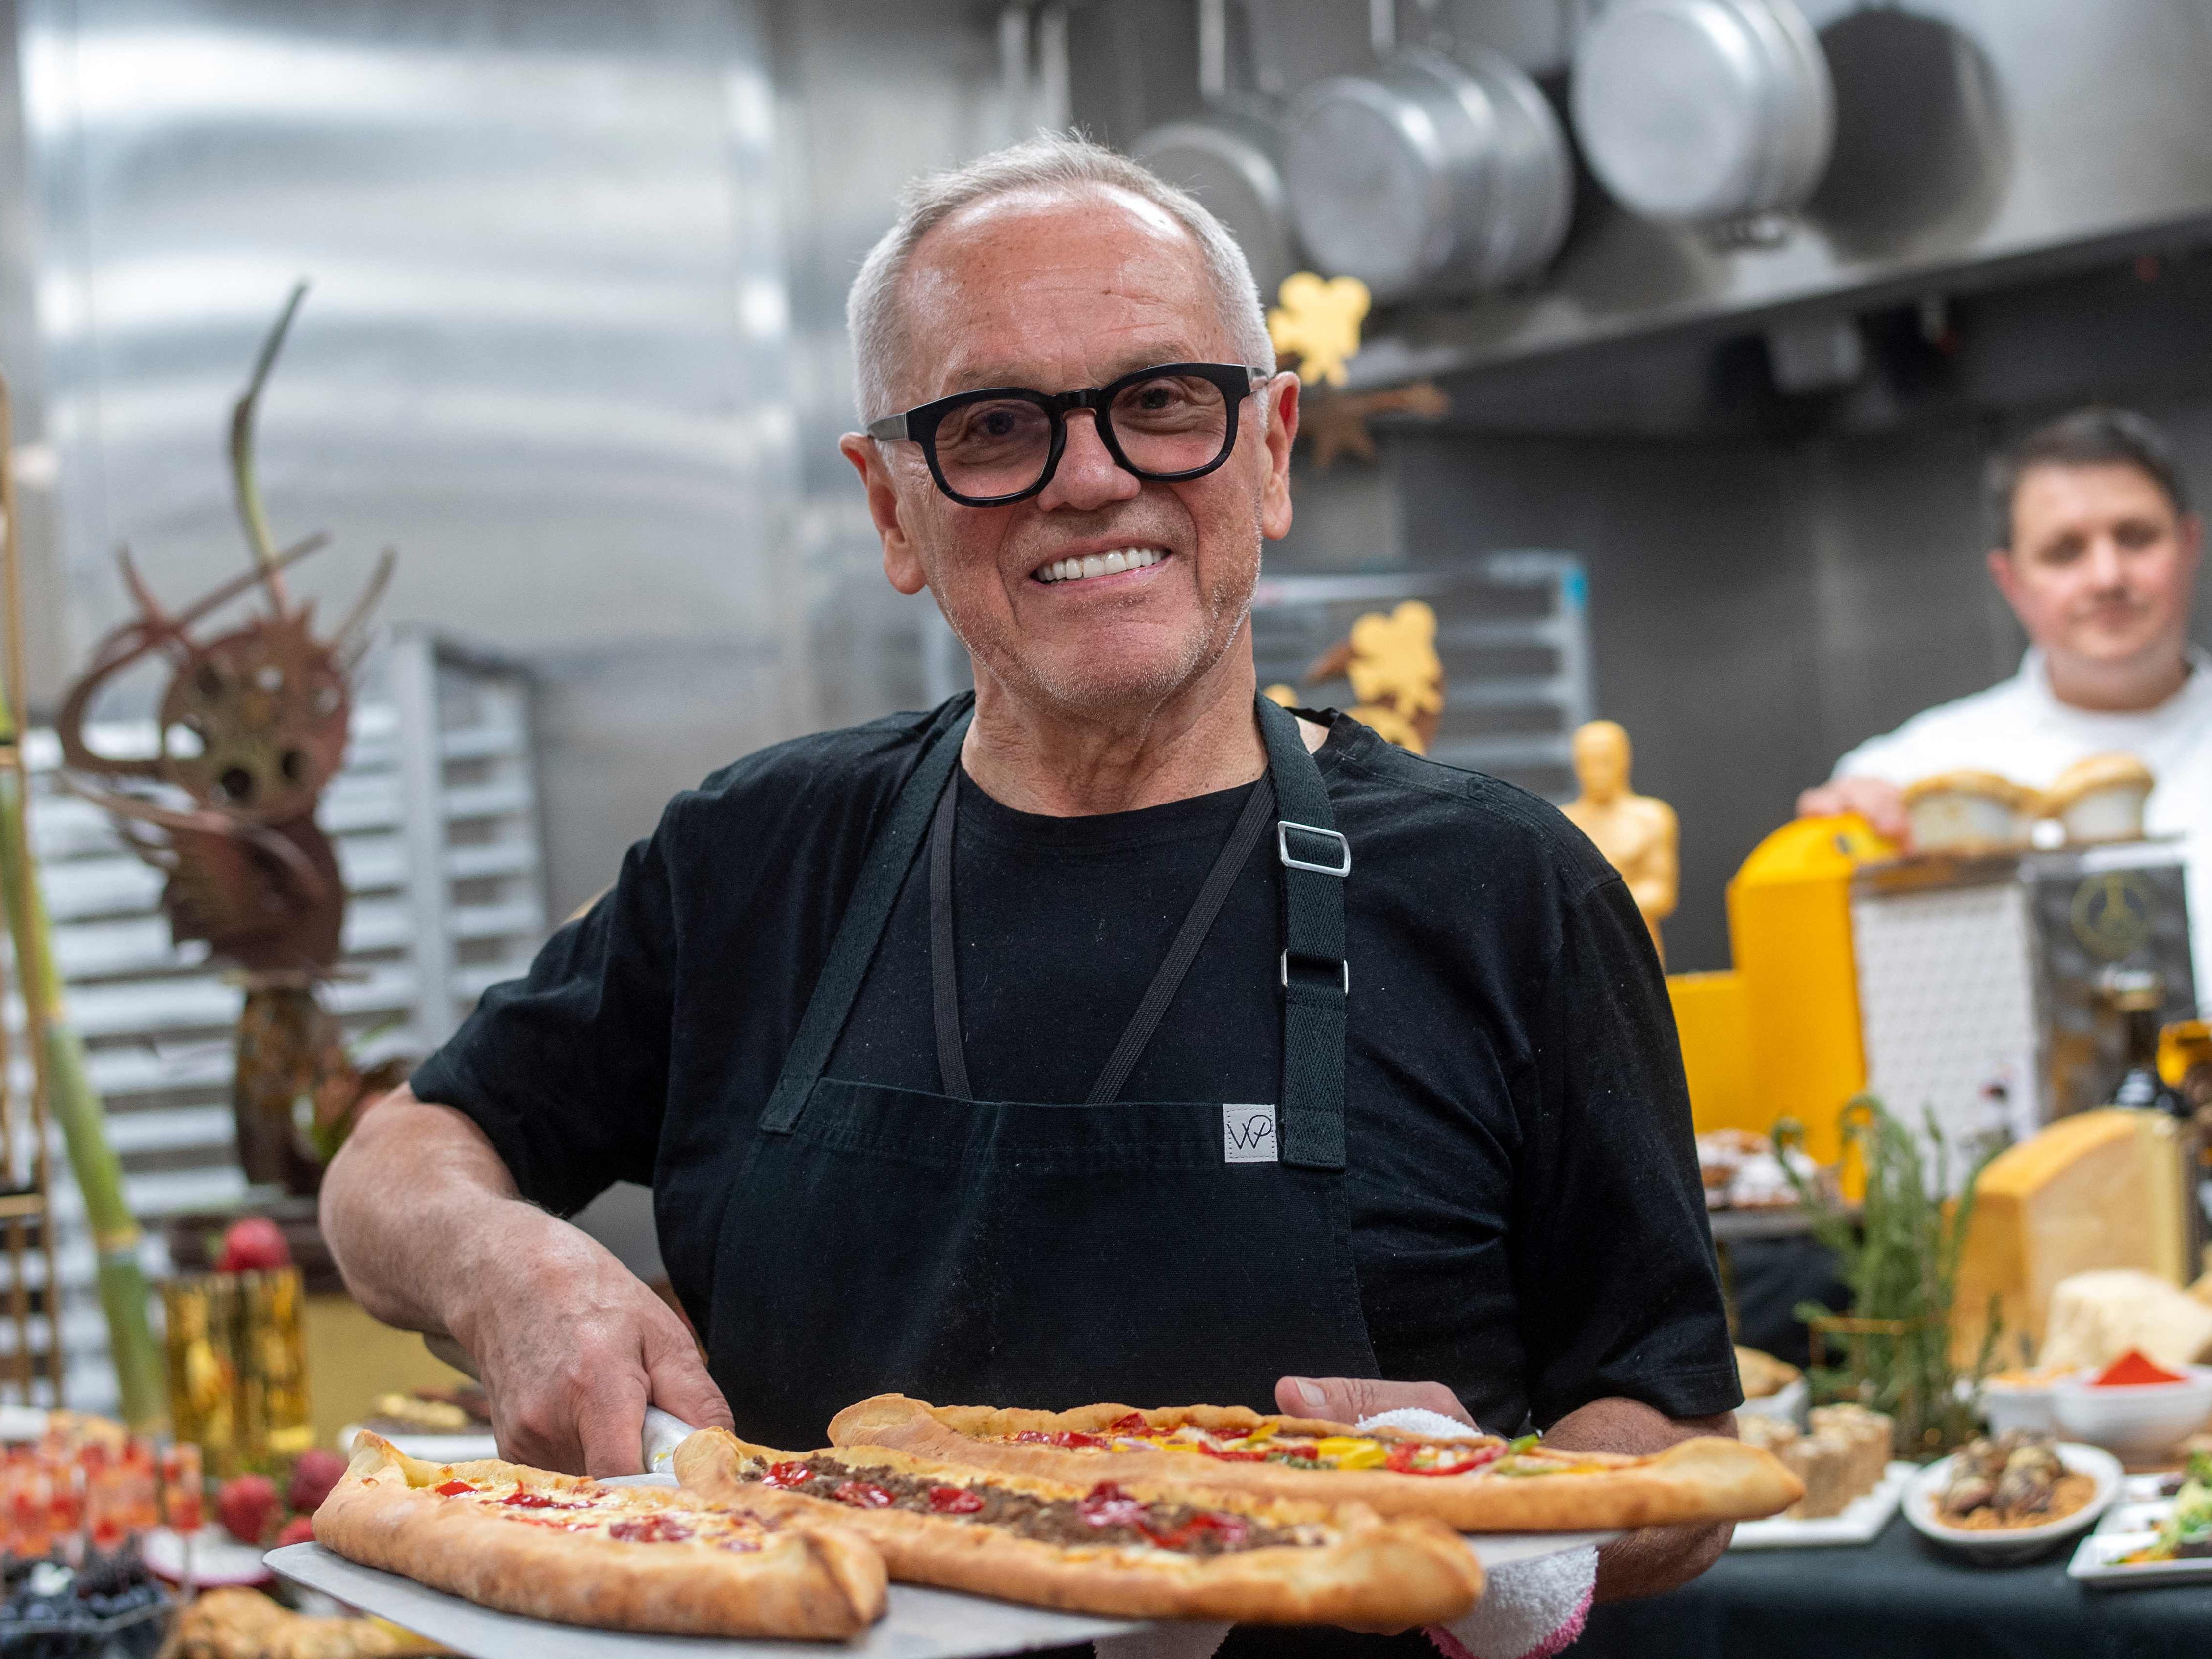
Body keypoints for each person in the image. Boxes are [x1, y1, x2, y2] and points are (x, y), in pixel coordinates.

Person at [321, 135, 1739, 1605]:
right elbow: (395, 1163)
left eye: (1163, 402)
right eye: (995, 427)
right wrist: (510, 1275)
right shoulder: (752, 856)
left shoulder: (1508, 892)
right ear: (891, 508)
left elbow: (1677, 1433)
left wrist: (1506, 1521)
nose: (1092, 476)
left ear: (1269, 449)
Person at [1796, 407, 2212, 1002]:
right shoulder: (1912, 779)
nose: (2107, 574)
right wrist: (1837, 847)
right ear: (2011, 580)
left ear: (2190, 543)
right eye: (2065, 551)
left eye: (2136, 537)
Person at [1560, 720, 1678, 963]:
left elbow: (1662, 893)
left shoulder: (1651, 817)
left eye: (1606, 761)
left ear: (1625, 760)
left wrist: (1600, 900)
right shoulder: (1564, 821)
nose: (1598, 772)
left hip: (1636, 947)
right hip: (1582, 951)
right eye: (1589, 762)